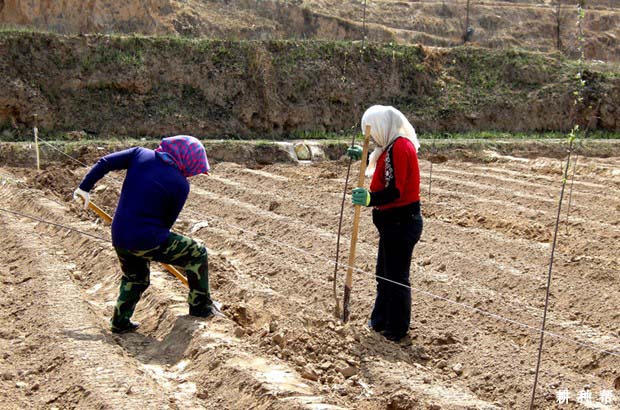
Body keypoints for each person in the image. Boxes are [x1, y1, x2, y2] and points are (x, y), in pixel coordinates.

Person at [73, 135, 216, 333]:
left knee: (136, 278)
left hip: (120, 235)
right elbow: (167, 223)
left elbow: (105, 162)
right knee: (197, 252)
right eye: (194, 169)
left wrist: (84, 188)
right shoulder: (180, 184)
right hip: (147, 239)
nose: (192, 174)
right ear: (186, 160)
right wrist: (154, 247)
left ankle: (120, 322)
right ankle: (200, 306)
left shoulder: (139, 154)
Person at [346, 105, 423, 342]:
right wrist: (362, 155)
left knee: (396, 277)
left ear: (382, 127)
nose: (370, 137)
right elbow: (380, 161)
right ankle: (380, 321)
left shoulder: (400, 147)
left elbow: (396, 189)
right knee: (383, 274)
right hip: (392, 224)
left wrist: (371, 199)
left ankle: (396, 329)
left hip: (402, 223)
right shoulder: (389, 146)